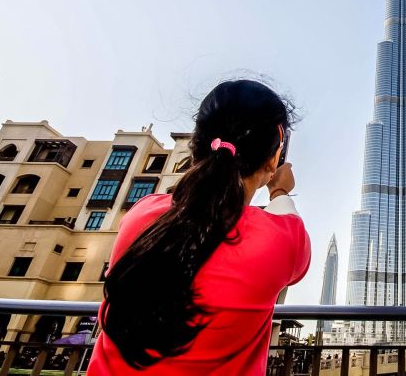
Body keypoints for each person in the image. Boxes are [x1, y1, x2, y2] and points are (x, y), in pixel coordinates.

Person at [88, 79, 310, 375]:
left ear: (196, 145)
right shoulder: (279, 240)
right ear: (273, 157)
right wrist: (279, 191)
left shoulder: (141, 214)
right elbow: (288, 224)